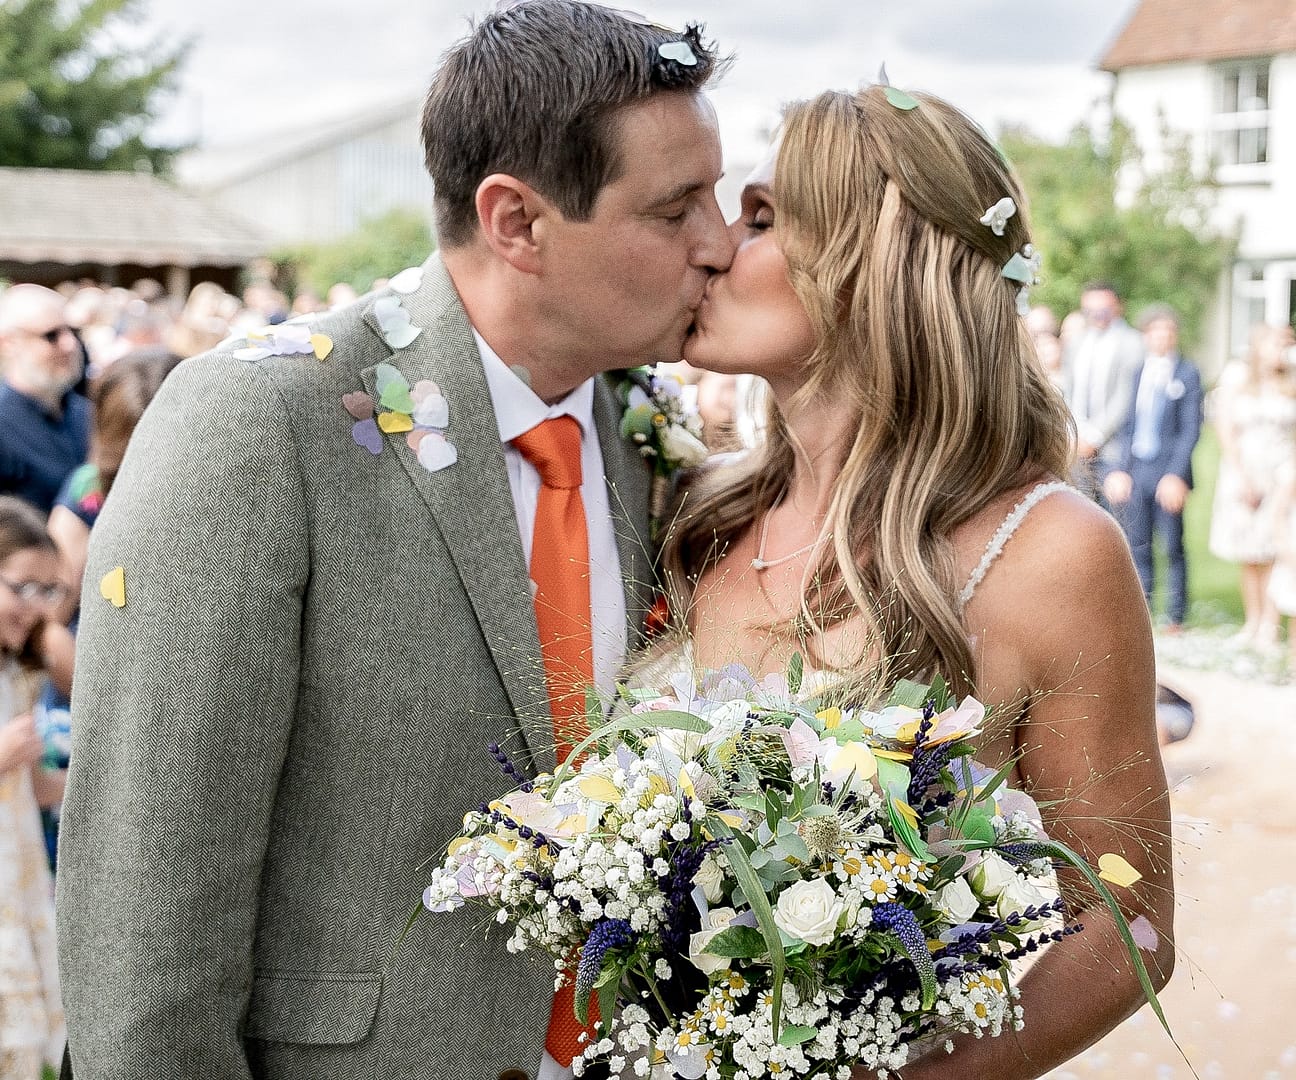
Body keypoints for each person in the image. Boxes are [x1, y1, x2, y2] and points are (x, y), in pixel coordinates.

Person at [56, 4, 733, 1079]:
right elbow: (147, 915)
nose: (722, 243)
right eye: (675, 209)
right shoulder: (260, 425)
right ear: (516, 221)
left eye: (720, 197)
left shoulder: (646, 436)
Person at [667, 85, 1174, 1078]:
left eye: (762, 217)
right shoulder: (694, 514)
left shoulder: (1051, 554)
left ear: (870, 271)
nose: (717, 242)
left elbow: (1129, 931)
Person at [0, 496, 68, 1078]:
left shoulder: (16, 673)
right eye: (22, 587)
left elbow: (36, 788)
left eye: (50, 593)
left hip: (17, 879)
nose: (36, 608)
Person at [1103, 306, 1203, 632]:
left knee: (1172, 544)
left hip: (1168, 469)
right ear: (1146, 335)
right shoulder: (1137, 372)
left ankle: (1176, 615)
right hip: (1137, 468)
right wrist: (1121, 470)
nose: (1162, 337)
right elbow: (1128, 425)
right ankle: (1142, 610)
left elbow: (1190, 430)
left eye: (1168, 331)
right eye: (1155, 331)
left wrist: (1175, 475)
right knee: (1137, 543)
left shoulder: (1187, 374)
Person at [1208, 323, 1296, 647]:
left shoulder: (1291, 380)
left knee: (1276, 547)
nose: (1282, 351)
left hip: (1283, 473)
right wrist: (1242, 474)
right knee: (1250, 551)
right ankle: (1253, 619)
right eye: (1276, 344)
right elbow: (1225, 428)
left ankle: (1271, 625)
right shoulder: (1237, 378)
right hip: (1244, 469)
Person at [0, 285, 91, 514]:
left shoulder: (88, 413)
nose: (69, 344)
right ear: (9, 343)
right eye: (51, 335)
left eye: (73, 332)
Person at [1062, 282, 1145, 503]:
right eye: (1090, 311)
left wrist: (1095, 436)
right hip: (1077, 446)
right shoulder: (1076, 342)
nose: (1097, 316)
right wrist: (1077, 434)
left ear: (1118, 307)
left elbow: (1126, 397)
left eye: (1103, 310)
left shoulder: (1133, 343)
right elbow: (1070, 390)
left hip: (1113, 449)